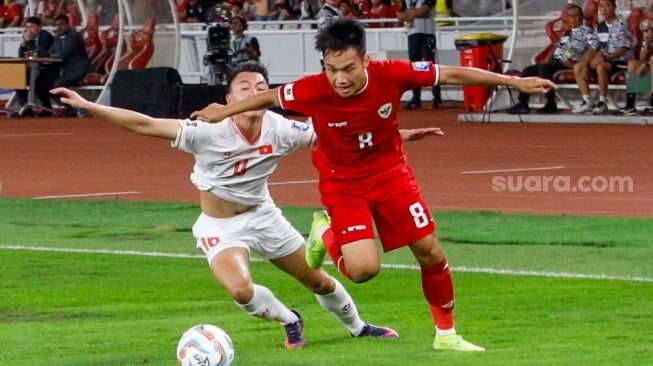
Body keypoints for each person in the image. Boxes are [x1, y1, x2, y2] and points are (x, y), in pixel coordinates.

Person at [190, 19, 555, 352]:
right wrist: (223, 112)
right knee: (364, 271)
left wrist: (513, 82)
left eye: (348, 68)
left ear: (366, 60)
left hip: (391, 173)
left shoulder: (393, 73)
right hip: (343, 183)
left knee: (429, 250)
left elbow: (453, 75)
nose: (340, 79)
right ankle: (326, 235)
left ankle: (446, 335)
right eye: (331, 70)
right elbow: (270, 97)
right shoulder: (312, 90)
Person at [51, 61, 441, 350]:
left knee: (318, 279)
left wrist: (403, 134)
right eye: (243, 87)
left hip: (265, 216)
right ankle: (290, 320)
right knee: (240, 290)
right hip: (220, 225)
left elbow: (343, 137)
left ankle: (358, 327)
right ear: (229, 99)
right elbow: (145, 124)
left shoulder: (283, 127)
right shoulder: (208, 129)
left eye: (260, 86)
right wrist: (90, 104)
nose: (253, 91)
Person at [506, 4, 599, 115]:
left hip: (569, 62)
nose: (574, 18)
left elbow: (591, 49)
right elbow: (556, 46)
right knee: (528, 70)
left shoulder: (587, 32)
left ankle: (551, 103)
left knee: (545, 69)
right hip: (557, 61)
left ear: (581, 17)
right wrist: (548, 57)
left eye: (576, 15)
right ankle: (522, 103)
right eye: (570, 16)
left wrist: (575, 61)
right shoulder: (567, 33)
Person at [572, 0, 632, 115]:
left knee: (602, 66)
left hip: (621, 62)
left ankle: (602, 102)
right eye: (601, 6)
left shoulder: (621, 25)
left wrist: (605, 57)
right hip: (606, 59)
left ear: (614, 7)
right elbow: (593, 48)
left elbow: (623, 49)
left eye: (607, 5)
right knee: (578, 66)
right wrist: (584, 62)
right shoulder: (600, 27)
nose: (604, 9)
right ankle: (588, 101)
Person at [397, 0, 442, 109]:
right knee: (414, 67)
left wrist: (408, 14)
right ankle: (416, 99)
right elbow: (399, 14)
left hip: (427, 34)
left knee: (430, 66)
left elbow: (423, 11)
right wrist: (413, 13)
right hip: (412, 34)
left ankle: (437, 98)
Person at [13, 15, 56, 116]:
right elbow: (22, 56)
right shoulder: (29, 38)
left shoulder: (46, 37)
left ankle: (46, 109)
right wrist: (24, 44)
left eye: (32, 27)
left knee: (38, 83)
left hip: (48, 69)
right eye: (27, 27)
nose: (29, 30)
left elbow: (39, 54)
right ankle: (26, 109)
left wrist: (29, 42)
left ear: (40, 27)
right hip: (34, 69)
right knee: (18, 80)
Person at [49, 14, 91, 116]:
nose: (59, 27)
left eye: (62, 24)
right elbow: (50, 51)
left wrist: (54, 55)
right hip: (67, 71)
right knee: (46, 84)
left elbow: (63, 54)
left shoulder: (74, 36)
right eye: (57, 25)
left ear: (68, 24)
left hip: (78, 71)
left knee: (56, 85)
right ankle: (69, 108)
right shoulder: (58, 37)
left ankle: (71, 107)